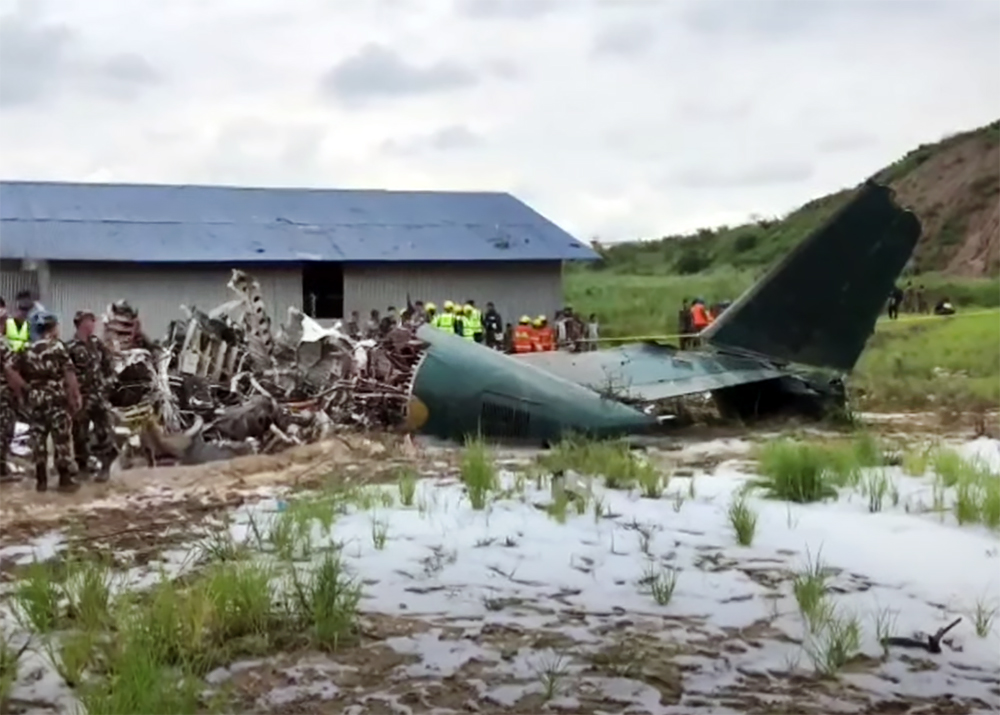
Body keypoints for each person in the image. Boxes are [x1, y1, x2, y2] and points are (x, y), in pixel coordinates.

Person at [22, 313, 81, 492]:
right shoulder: (58, 347)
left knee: (38, 437)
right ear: (53, 327)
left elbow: (20, 373)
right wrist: (75, 395)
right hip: (56, 398)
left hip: (36, 399)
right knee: (61, 437)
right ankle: (64, 478)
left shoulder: (28, 349)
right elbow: (69, 373)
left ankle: (41, 479)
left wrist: (27, 392)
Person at [67, 311, 118, 482]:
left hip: (99, 396)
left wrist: (108, 382)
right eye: (90, 321)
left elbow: (109, 365)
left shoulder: (96, 344)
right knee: (79, 434)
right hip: (82, 398)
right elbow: (67, 374)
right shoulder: (71, 347)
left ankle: (105, 467)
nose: (93, 324)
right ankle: (83, 466)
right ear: (81, 323)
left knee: (104, 431)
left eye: (93, 321)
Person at [0, 338, 27, 482]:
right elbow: (10, 371)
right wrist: (21, 391)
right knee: (4, 430)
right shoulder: (2, 345)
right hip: (3, 395)